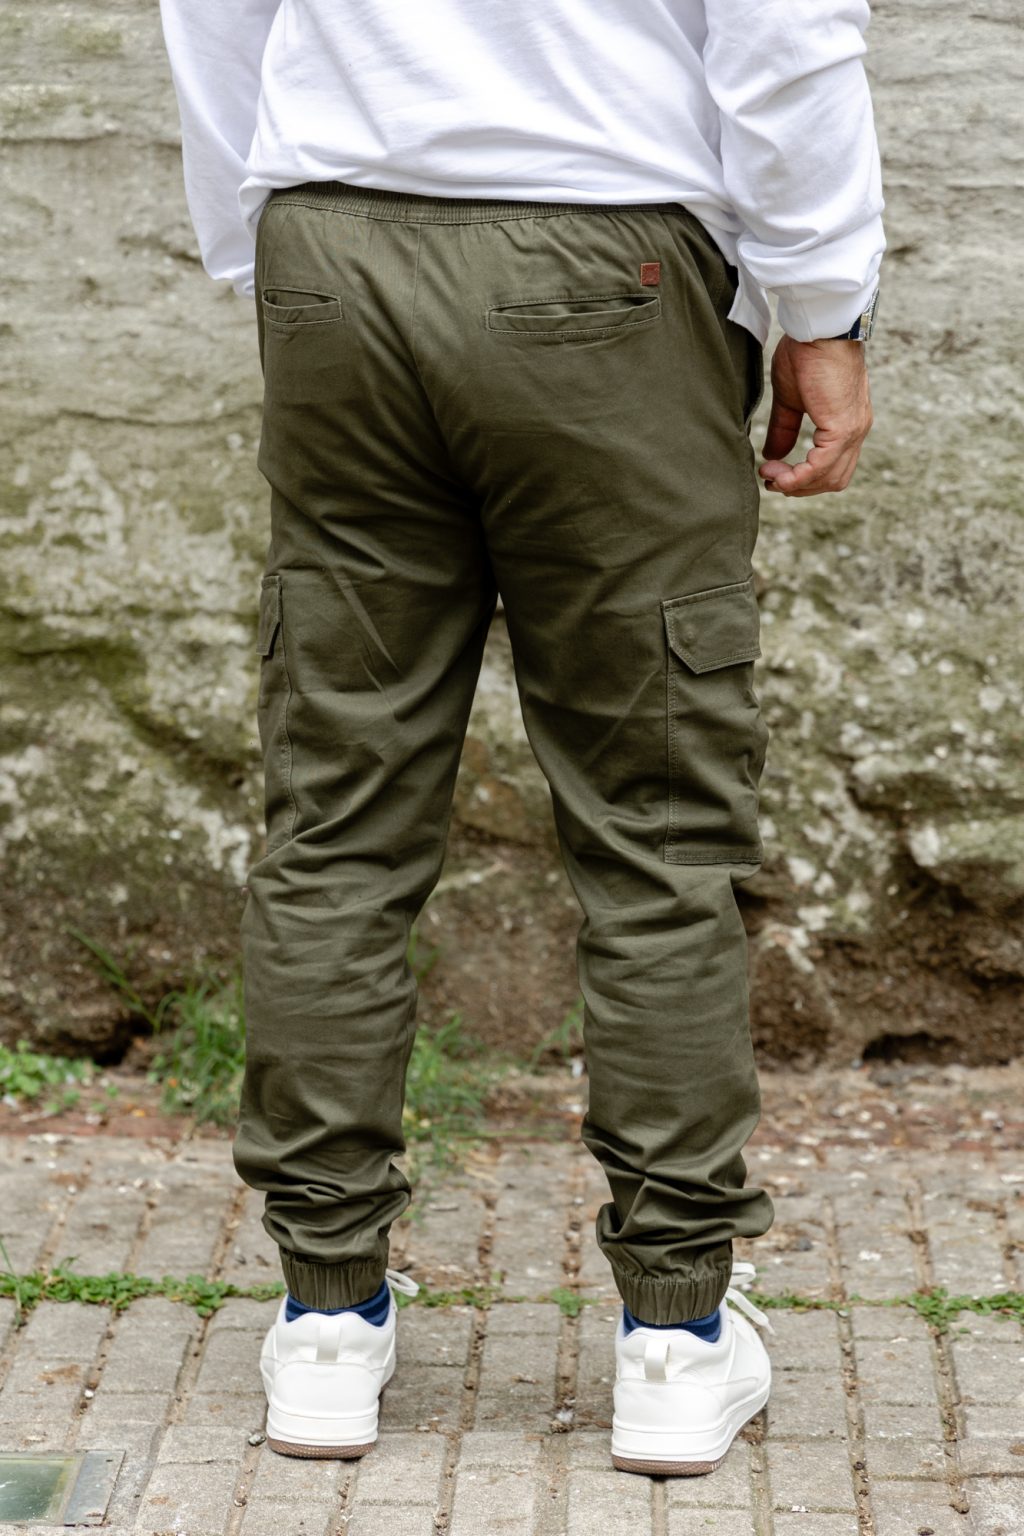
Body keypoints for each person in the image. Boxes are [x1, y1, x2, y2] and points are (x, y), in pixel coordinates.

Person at [159, 0, 883, 1477]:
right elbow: (784, 28)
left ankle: (326, 1320)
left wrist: (261, 248)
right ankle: (676, 1340)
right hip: (605, 256)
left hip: (336, 248)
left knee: (337, 815)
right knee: (656, 828)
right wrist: (823, 302)